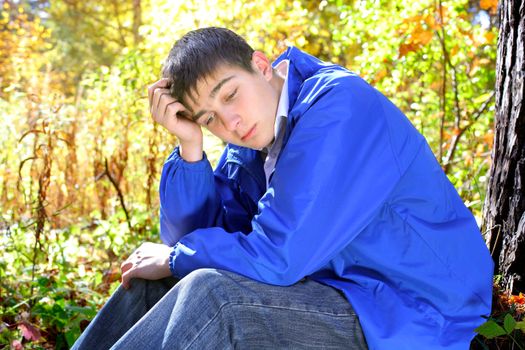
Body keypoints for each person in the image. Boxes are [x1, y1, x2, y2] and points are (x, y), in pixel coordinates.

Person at [72, 27, 493, 350]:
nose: (230, 123)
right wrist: (190, 149)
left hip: (415, 307)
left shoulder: (339, 108)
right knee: (152, 281)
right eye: (209, 119)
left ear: (260, 64)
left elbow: (278, 255)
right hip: (340, 289)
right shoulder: (255, 141)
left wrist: (178, 257)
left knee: (217, 297)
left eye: (230, 95)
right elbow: (196, 239)